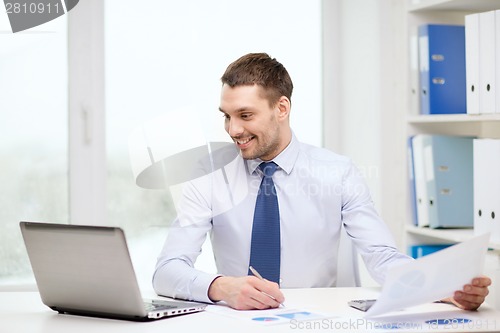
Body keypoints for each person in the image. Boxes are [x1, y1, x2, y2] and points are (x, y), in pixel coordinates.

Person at [153, 52, 491, 311]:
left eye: (245, 115)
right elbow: (167, 270)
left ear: (281, 108)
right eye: (226, 116)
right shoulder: (209, 174)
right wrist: (220, 287)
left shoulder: (337, 172)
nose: (233, 130)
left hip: (317, 321)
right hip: (237, 321)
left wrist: (441, 287)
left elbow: (383, 257)